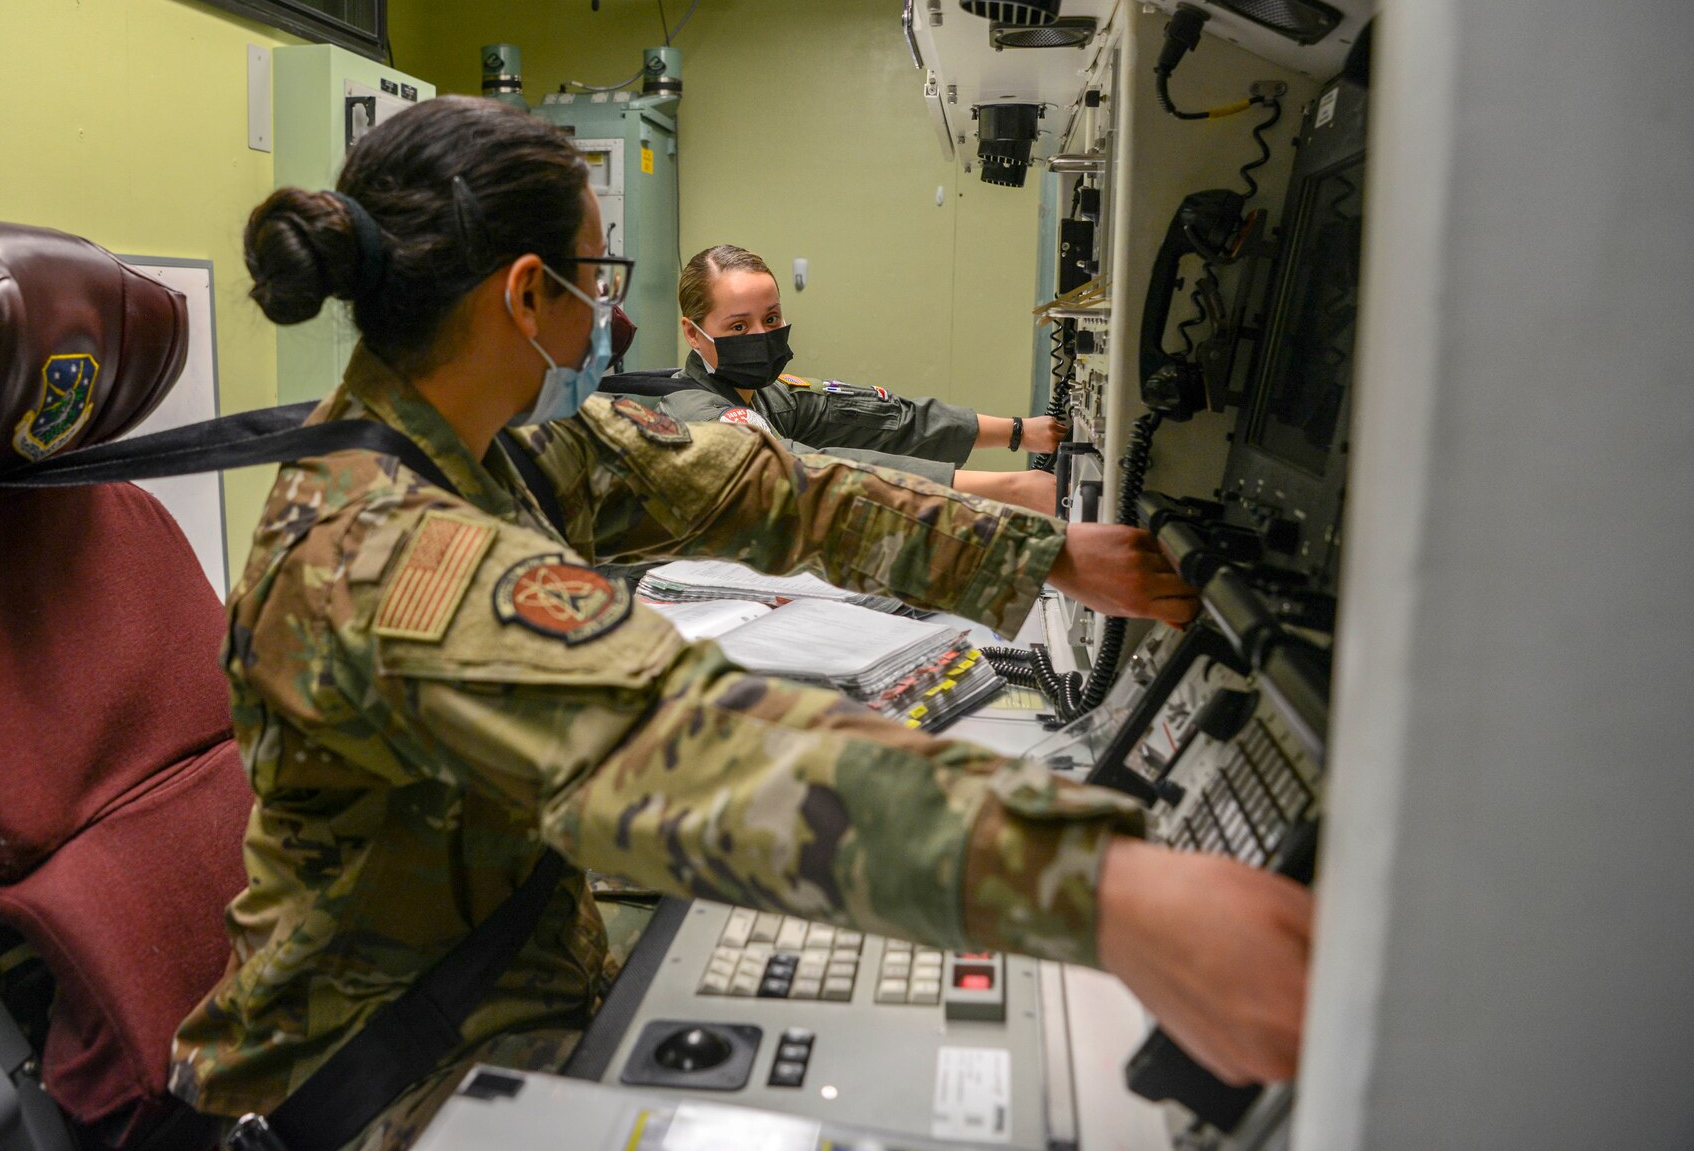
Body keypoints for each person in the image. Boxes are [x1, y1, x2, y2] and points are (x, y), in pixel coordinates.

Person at [168, 97, 1313, 1148]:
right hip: (387, 1082)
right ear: (525, 294)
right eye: (591, 274)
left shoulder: (486, 453)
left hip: (506, 980)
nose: (602, 305)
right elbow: (677, 747)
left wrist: (1048, 553)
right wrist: (1111, 889)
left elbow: (763, 483)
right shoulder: (381, 556)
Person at [662, 244, 1066, 514]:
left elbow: (878, 418)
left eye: (770, 319)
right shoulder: (699, 417)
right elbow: (815, 470)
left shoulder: (765, 395)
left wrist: (1019, 432)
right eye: (738, 327)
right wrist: (1009, 489)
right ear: (693, 332)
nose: (761, 337)